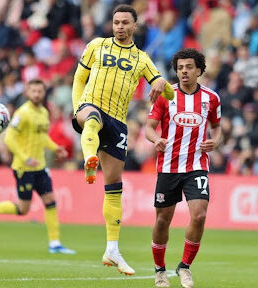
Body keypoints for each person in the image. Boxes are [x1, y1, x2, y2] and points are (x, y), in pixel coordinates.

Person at [71, 4, 174, 275]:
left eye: (125, 22)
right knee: (92, 121)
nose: (119, 26)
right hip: (91, 106)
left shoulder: (142, 59)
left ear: (134, 26)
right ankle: (89, 158)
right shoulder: (96, 45)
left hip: (117, 122)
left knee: (114, 186)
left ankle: (112, 249)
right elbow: (79, 78)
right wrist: (77, 107)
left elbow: (167, 93)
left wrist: (163, 84)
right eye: (116, 22)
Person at [146, 48, 222, 288]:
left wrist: (216, 141)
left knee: (199, 215)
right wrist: (155, 139)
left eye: (189, 67)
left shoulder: (211, 98)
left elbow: (217, 126)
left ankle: (184, 267)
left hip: (197, 165)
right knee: (162, 221)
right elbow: (149, 127)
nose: (184, 72)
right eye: (180, 68)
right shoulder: (165, 95)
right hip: (168, 166)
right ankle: (159, 270)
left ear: (199, 70)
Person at [0, 79, 75, 255]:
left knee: (50, 201)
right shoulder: (22, 113)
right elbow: (9, 138)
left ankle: (55, 243)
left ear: (44, 93)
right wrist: (25, 158)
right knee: (23, 209)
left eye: (39, 91)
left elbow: (42, 137)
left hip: (40, 167)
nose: (36, 94)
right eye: (33, 91)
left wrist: (55, 147)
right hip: (23, 168)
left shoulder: (44, 112)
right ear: (27, 93)